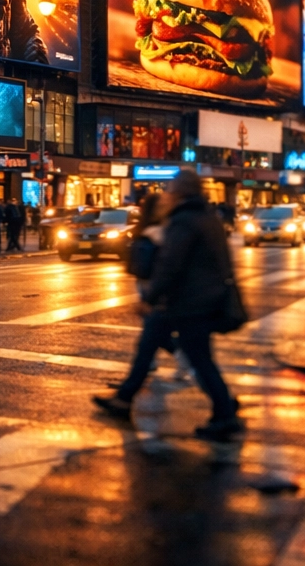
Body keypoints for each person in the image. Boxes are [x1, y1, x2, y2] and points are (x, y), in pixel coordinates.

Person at [93, 170, 243, 439]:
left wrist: (149, 297)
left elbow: (171, 263)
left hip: (188, 302)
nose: (166, 196)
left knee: (199, 358)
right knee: (150, 343)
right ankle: (125, 398)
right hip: (194, 298)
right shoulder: (207, 217)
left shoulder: (184, 221)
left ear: (179, 194)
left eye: (169, 191)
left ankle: (225, 412)